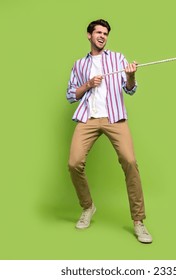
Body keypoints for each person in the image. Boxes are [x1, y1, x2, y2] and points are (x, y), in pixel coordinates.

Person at [65, 19, 152, 244]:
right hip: (88, 118)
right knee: (74, 163)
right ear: (89, 35)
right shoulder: (79, 65)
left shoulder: (117, 58)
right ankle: (88, 207)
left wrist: (131, 75)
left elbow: (129, 89)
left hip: (114, 118)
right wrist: (88, 85)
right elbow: (70, 95)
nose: (102, 36)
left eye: (105, 33)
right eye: (98, 33)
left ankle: (139, 221)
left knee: (130, 161)